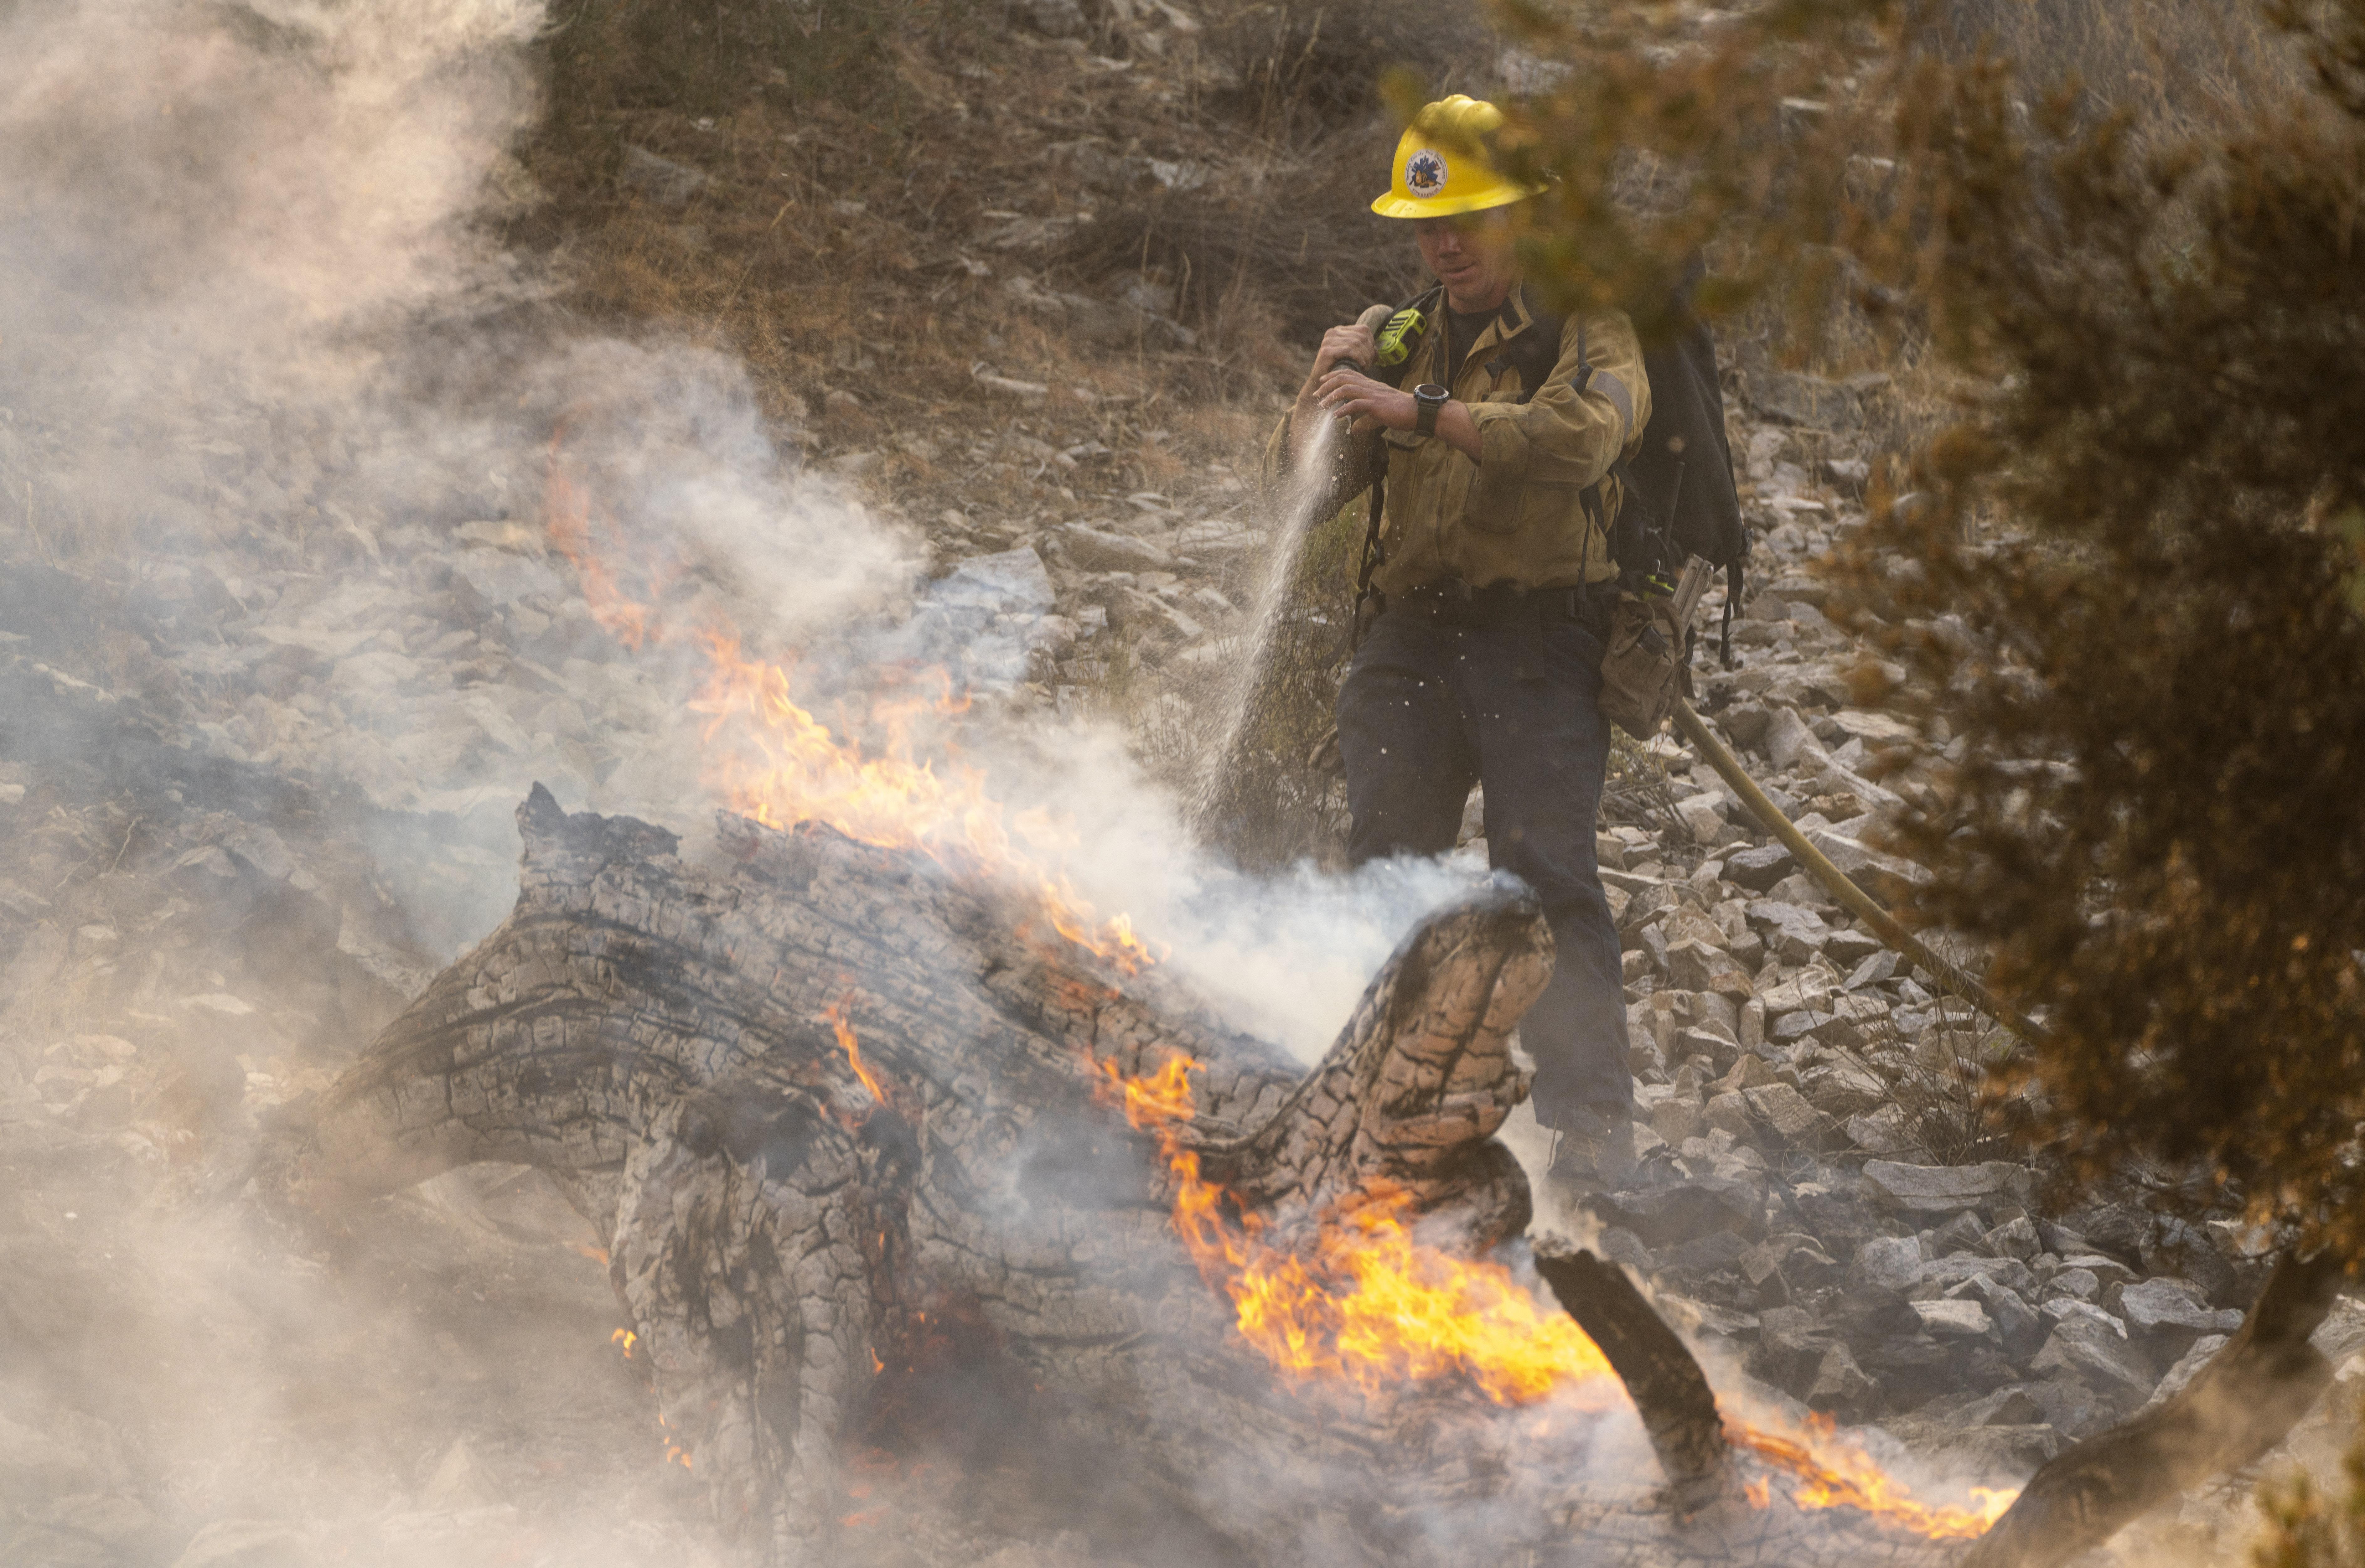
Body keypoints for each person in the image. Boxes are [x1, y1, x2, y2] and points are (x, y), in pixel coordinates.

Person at [1271, 95, 1649, 1200]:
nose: (1446, 245)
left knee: (1542, 875)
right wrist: (1326, 386)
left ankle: (1592, 1132)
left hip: (1541, 639)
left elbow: (1586, 439)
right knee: (1387, 861)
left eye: (1471, 220)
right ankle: (1376, 1102)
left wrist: (1418, 408)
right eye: (1429, 226)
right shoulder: (1402, 333)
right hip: (1412, 637)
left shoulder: (1591, 322)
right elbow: (1301, 495)